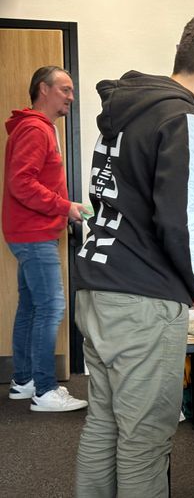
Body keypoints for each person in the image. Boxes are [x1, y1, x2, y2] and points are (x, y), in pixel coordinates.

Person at [73, 10, 194, 497]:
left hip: (98, 287)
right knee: (145, 440)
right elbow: (179, 217)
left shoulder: (125, 111)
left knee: (104, 425)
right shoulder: (184, 118)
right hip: (141, 301)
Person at [2, 66, 89, 412]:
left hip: (29, 232)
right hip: (34, 235)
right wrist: (64, 206)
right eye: (65, 90)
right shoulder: (36, 130)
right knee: (51, 307)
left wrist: (63, 207)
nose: (70, 96)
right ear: (43, 89)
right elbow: (21, 184)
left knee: (31, 307)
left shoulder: (37, 128)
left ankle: (23, 381)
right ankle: (45, 390)